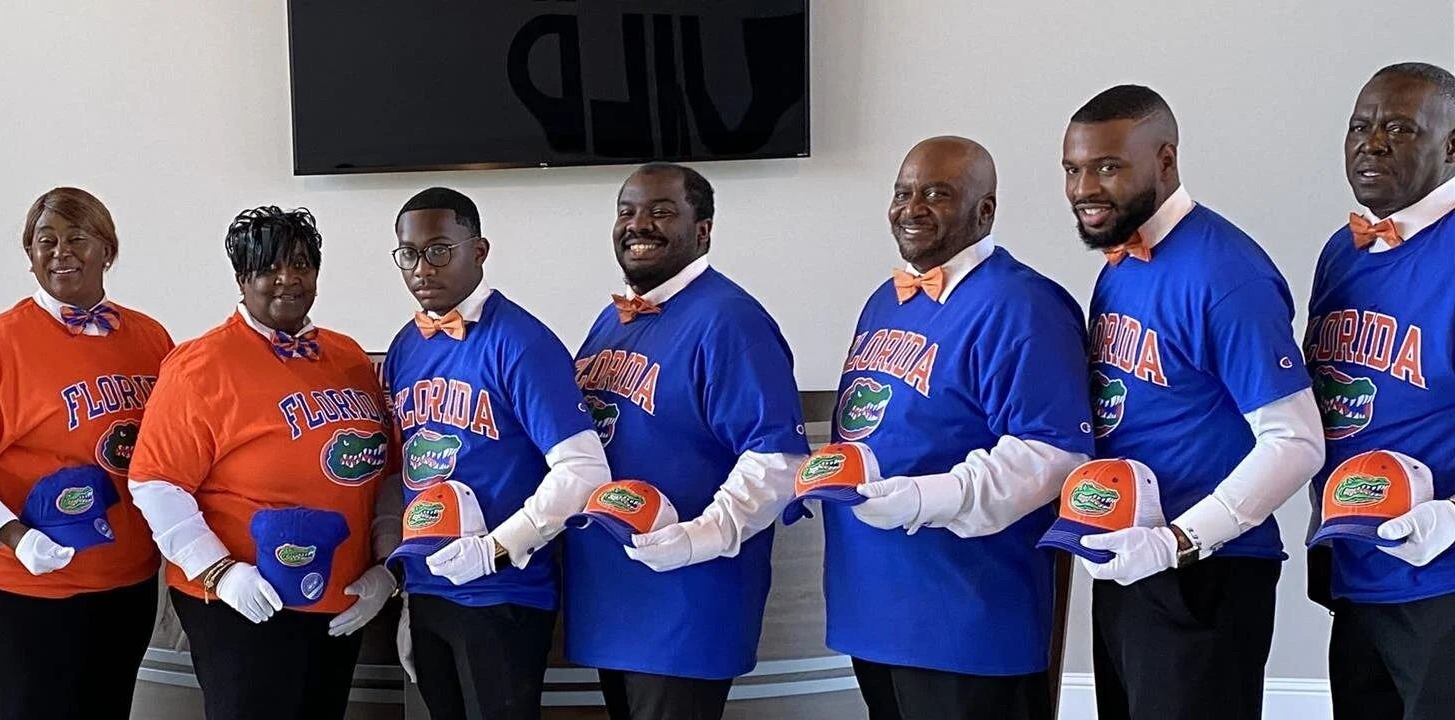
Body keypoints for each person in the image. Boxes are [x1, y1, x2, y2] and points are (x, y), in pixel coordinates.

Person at [1061, 85, 1325, 719]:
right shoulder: (1119, 263)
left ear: (1166, 161)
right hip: (1130, 558)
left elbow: (1297, 441)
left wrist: (1180, 539)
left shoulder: (1226, 272)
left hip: (1206, 568)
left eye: (1108, 166)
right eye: (1072, 168)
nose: (1083, 187)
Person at [816, 137, 1091, 720]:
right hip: (874, 603)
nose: (911, 208)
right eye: (902, 193)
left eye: (936, 194)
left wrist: (923, 498)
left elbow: (1053, 452)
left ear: (984, 210)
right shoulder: (884, 301)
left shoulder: (1024, 304)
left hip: (967, 616)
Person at [129, 206, 399, 719]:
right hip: (241, 599)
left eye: (300, 264)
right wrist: (222, 573)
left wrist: (385, 568)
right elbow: (156, 483)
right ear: (241, 278)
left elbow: (382, 473)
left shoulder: (348, 358)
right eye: (268, 268)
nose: (287, 279)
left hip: (340, 596)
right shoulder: (200, 365)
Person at [0, 187, 169, 720]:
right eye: (44, 241)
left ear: (108, 250)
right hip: (17, 581)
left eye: (78, 238)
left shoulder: (150, 339)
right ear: (29, 258)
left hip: (124, 577)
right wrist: (14, 537)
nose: (60, 252)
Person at [566, 163, 807, 720]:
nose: (638, 224)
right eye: (627, 212)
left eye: (661, 211)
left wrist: (699, 537)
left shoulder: (731, 320)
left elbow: (778, 458)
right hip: (616, 592)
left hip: (687, 599)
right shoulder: (614, 317)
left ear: (703, 231)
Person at [380, 188, 611, 720]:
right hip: (430, 590)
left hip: (504, 592)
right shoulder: (404, 346)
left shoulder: (522, 341)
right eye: (408, 253)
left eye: (439, 249)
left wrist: (497, 549)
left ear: (478, 251)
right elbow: (406, 473)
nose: (422, 268)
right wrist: (410, 597)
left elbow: (583, 471)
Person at [1304, 62, 1455, 720]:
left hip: (1442, 576)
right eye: (1360, 127)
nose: (1372, 143)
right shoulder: (1343, 250)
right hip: (1357, 567)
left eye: (1399, 128)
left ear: (1451, 145)